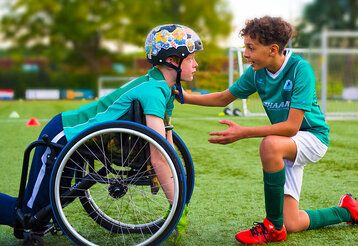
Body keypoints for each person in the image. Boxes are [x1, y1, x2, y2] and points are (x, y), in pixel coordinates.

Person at [0, 24, 203, 240]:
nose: (196, 64)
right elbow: (159, 157)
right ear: (172, 60)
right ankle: (30, 222)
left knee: (53, 201)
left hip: (83, 140)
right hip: (64, 133)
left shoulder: (164, 88)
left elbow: (166, 146)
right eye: (191, 58)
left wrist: (174, 183)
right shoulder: (153, 91)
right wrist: (177, 206)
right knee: (29, 213)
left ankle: (39, 222)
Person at [179, 16, 357, 244]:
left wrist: (243, 132)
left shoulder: (300, 69)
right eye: (245, 47)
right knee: (292, 223)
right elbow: (224, 97)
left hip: (312, 138)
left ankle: (272, 227)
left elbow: (292, 127)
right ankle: (347, 210)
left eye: (251, 48)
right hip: (289, 143)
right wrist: (184, 97)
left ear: (273, 49)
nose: (245, 54)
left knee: (270, 144)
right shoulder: (256, 73)